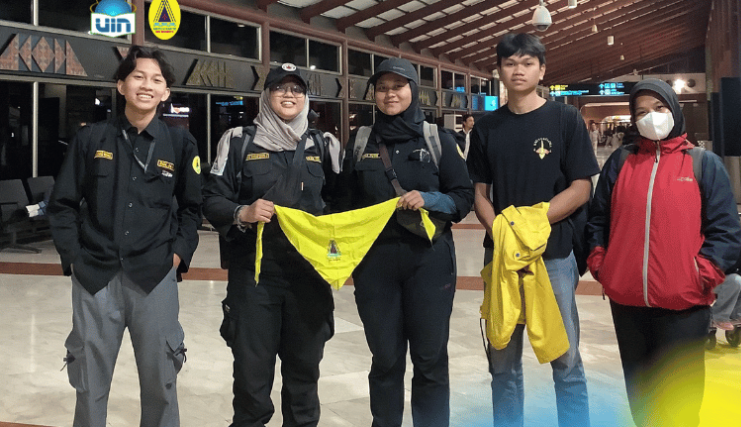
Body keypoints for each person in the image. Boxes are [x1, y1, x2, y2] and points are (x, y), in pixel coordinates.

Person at [47, 45, 202, 427]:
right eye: (138, 77)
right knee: (89, 382)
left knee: (161, 381)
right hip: (95, 276)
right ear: (121, 85)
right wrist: (74, 258)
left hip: (155, 277)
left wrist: (177, 256)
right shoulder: (91, 139)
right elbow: (63, 204)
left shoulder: (180, 144)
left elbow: (191, 209)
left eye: (156, 80)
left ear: (165, 91)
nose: (147, 85)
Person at [586, 78, 741, 427]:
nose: (651, 117)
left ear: (674, 110)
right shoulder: (620, 162)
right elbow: (598, 219)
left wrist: (702, 274)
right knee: (642, 401)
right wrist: (602, 265)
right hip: (627, 301)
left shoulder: (703, 164)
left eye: (659, 108)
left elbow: (726, 231)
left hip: (685, 303)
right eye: (641, 112)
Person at [466, 33, 598, 427]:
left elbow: (581, 187)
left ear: (542, 70)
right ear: (499, 71)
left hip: (553, 255)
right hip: (502, 256)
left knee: (566, 360)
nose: (518, 70)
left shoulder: (565, 119)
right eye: (510, 63)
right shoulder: (487, 127)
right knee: (502, 363)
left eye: (527, 63)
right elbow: (479, 193)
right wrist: (503, 231)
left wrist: (533, 223)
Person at [337, 57, 473, 427]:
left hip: (429, 262)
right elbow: (343, 203)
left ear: (413, 90)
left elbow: (463, 198)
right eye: (382, 88)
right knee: (385, 359)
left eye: (398, 86)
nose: (390, 94)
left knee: (429, 360)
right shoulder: (361, 141)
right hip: (376, 266)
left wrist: (430, 199)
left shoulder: (438, 139)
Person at [202, 63, 336, 427]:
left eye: (297, 89)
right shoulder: (238, 141)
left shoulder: (325, 145)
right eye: (280, 88)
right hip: (254, 277)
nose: (289, 95)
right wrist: (242, 212)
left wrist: (336, 252)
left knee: (304, 378)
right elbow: (212, 198)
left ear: (306, 98)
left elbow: (344, 204)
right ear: (266, 95)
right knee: (251, 379)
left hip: (309, 278)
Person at [711, 240, 741, 330]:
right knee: (735, 279)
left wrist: (740, 246)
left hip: (726, 278)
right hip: (704, 282)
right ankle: (718, 316)